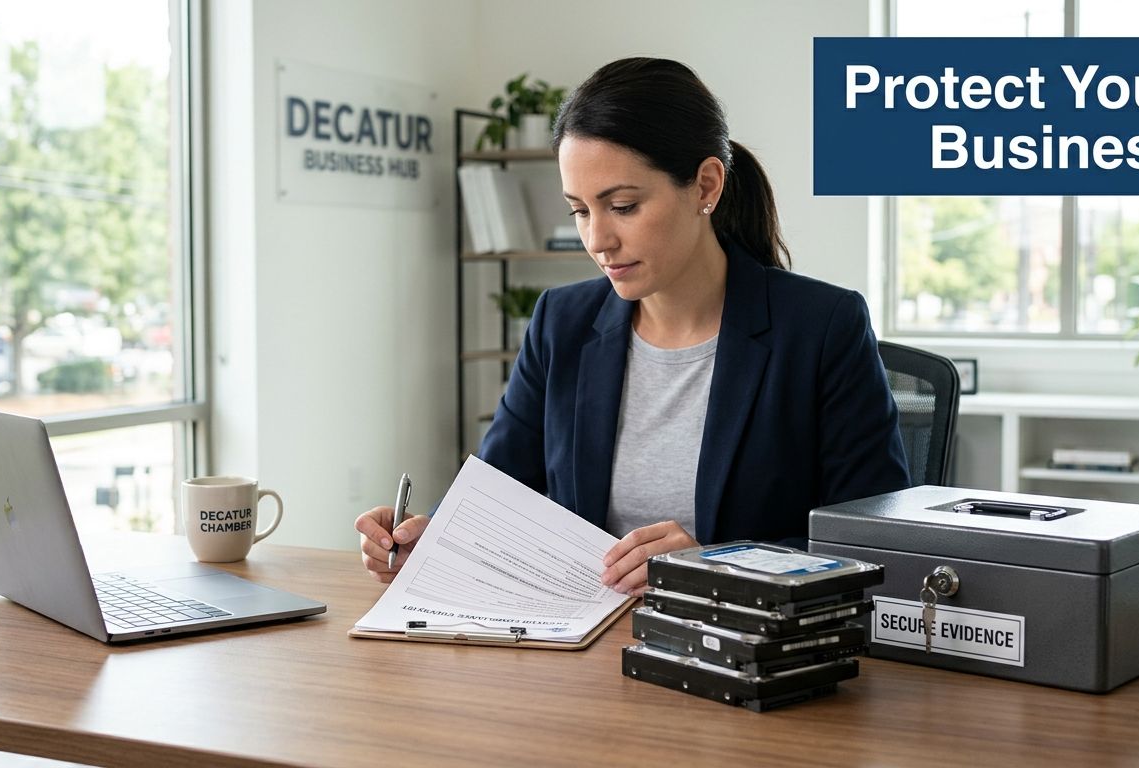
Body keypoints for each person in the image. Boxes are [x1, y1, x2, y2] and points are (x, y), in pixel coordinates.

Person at [356, 57, 909, 596]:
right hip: (582, 653)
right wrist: (431, 541)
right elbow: (496, 503)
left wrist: (714, 563)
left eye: (621, 206)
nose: (597, 240)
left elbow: (877, 548)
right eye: (579, 210)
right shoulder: (561, 323)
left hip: (744, 656)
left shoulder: (820, 328)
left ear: (706, 186)